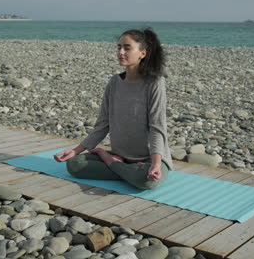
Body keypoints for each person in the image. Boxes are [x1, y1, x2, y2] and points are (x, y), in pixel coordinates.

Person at [53, 27, 172, 190]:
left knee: (147, 181)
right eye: (119, 47)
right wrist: (76, 150)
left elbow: (157, 128)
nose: (121, 52)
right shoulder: (114, 83)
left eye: (127, 48)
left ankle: (112, 163)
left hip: (150, 158)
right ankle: (123, 169)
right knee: (74, 164)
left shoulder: (155, 83)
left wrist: (156, 164)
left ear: (142, 53)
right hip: (120, 155)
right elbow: (103, 124)